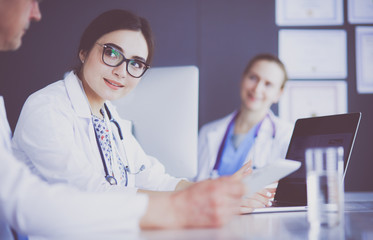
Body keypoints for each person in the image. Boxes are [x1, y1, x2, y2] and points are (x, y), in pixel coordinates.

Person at [0, 1, 247, 239]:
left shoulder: (110, 116)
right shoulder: (47, 108)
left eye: (136, 64)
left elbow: (150, 176)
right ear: (84, 51)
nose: (121, 71)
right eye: (111, 53)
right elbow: (88, 191)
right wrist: (183, 205)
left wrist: (213, 193)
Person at [196, 54, 293, 186]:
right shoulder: (208, 132)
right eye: (253, 78)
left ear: (278, 94)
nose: (257, 89)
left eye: (268, 84)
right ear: (242, 79)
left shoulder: (286, 136)